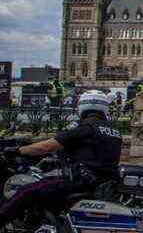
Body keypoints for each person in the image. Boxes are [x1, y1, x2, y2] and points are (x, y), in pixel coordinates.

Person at [0, 90, 122, 227]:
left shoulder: (85, 127)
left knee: (25, 192)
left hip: (78, 182)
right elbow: (89, 152)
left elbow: (46, 147)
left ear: (82, 105)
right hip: (105, 184)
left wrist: (16, 150)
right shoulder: (114, 131)